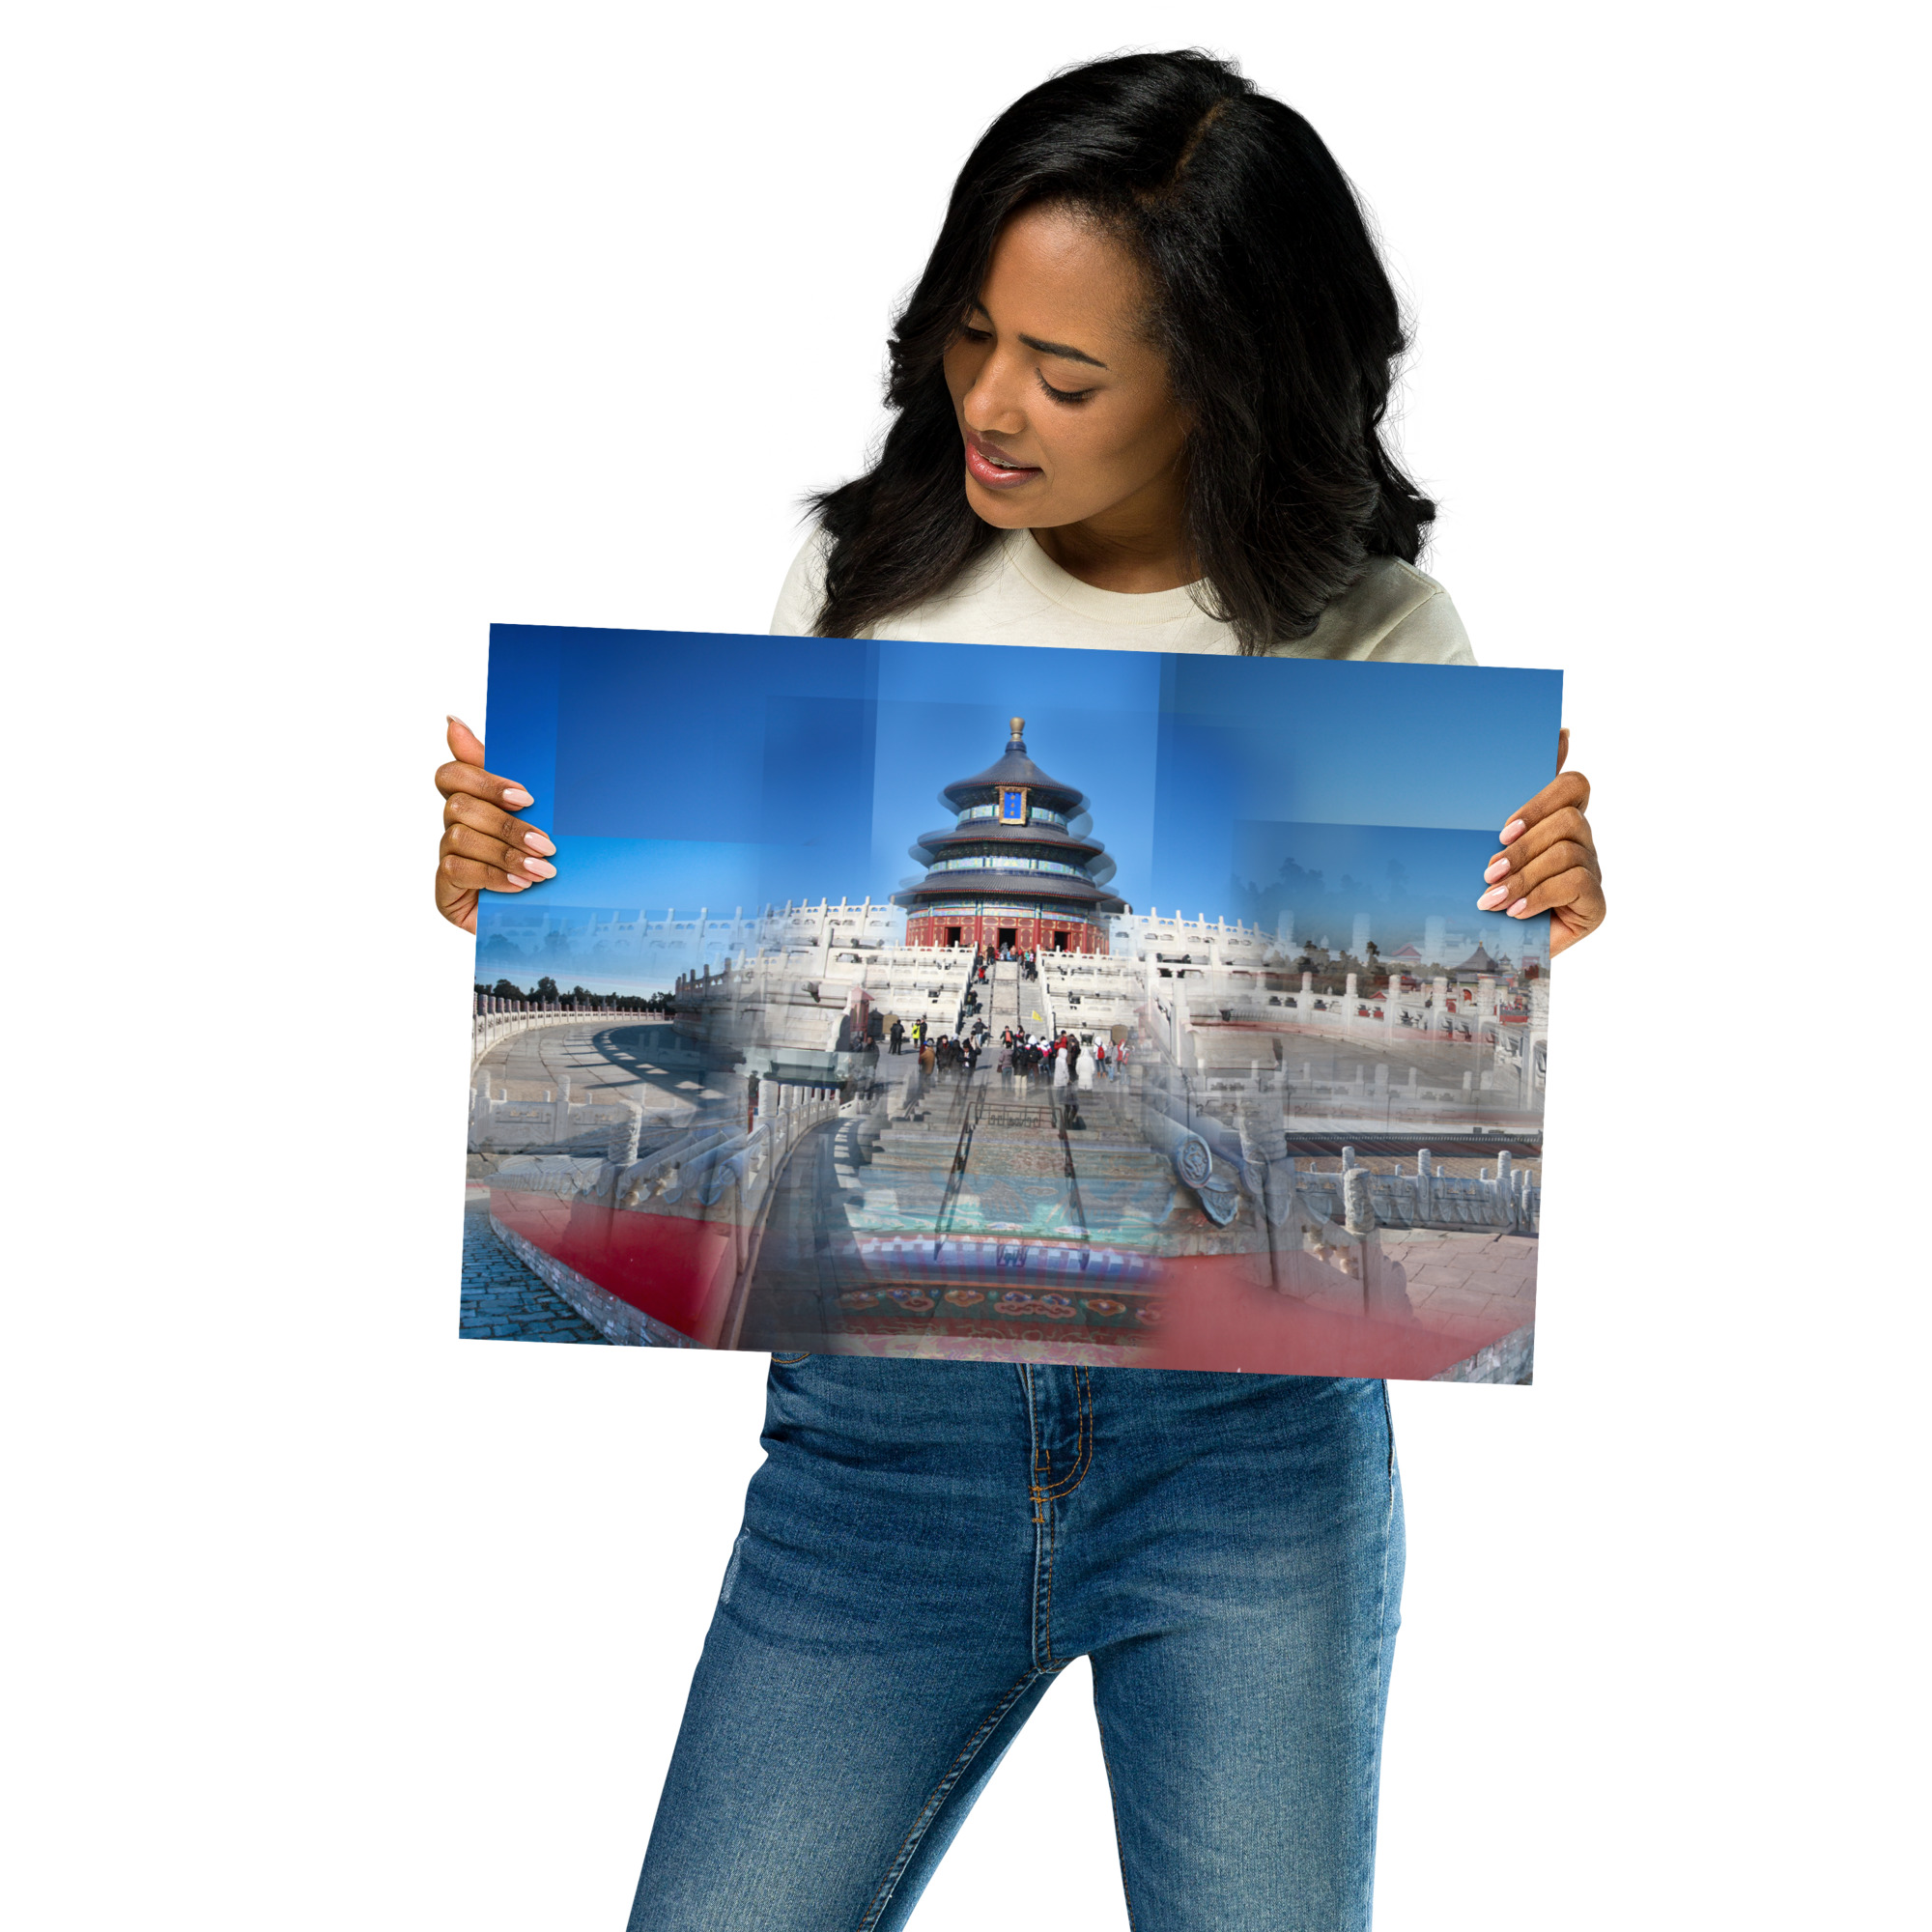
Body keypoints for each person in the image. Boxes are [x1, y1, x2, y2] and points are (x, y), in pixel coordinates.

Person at [433, 49, 1604, 1931]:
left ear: (1217, 382)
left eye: (1064, 375)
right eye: (973, 335)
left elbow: (1408, 1024)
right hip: (877, 1446)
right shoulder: (863, 572)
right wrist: (507, 882)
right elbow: (737, 949)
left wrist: (1534, 909)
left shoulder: (1370, 630)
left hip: (1241, 1460)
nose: (990, 402)